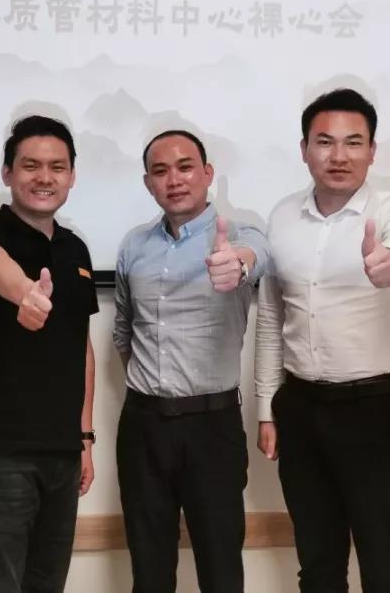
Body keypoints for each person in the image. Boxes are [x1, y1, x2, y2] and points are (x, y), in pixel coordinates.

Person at [255, 88, 390, 593]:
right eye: (325, 141)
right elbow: (271, 317)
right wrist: (267, 408)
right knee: (317, 563)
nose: (339, 155)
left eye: (354, 142)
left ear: (372, 150)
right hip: (300, 407)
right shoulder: (282, 216)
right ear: (304, 149)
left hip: (374, 408)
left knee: (385, 563)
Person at [113, 128, 270, 593]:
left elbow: (256, 256)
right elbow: (124, 331)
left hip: (212, 427)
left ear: (207, 173)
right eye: (160, 171)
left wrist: (237, 263)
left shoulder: (240, 234)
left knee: (221, 571)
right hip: (143, 427)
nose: (174, 179)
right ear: (148, 183)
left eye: (185, 167)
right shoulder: (133, 246)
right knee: (149, 571)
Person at [0, 115, 97, 593]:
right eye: (30, 165)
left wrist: (85, 438)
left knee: (47, 584)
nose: (44, 177)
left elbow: (81, 346)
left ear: (72, 176)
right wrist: (24, 294)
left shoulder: (76, 249)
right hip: (1, 456)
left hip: (64, 455)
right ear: (7, 173)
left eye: (57, 167)